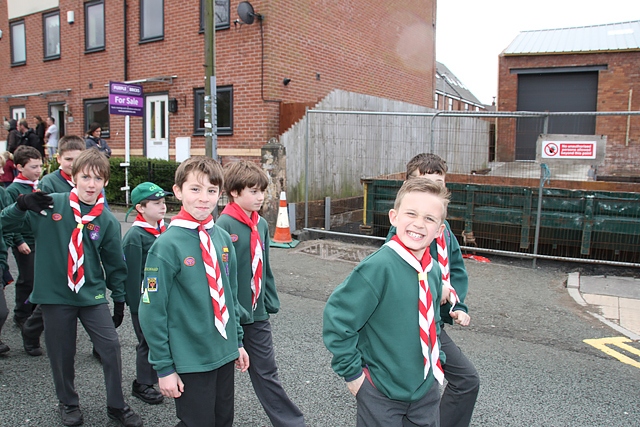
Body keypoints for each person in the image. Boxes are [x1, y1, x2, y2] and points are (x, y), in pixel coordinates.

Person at [0, 148, 144, 427]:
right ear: (73, 177)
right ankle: (68, 402)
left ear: (106, 182)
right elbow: (5, 223)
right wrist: (20, 206)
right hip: (55, 296)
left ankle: (117, 404)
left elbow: (114, 263)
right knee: (61, 352)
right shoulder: (49, 204)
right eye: (86, 177)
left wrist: (118, 299)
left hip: (90, 295)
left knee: (111, 348)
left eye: (98, 179)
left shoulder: (106, 220)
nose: (92, 184)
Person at [323, 178, 449, 427]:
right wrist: (354, 376)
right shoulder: (378, 268)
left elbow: (432, 321)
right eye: (411, 213)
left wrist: (438, 363)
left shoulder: (433, 271)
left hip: (425, 390)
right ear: (394, 217)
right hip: (381, 392)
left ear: (440, 231)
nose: (418, 224)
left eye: (429, 218)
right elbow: (338, 320)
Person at [138, 156, 249, 427]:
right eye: (195, 189)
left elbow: (230, 294)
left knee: (223, 420)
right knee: (196, 422)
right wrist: (163, 367)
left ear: (220, 194)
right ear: (178, 192)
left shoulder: (221, 238)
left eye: (211, 191)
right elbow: (152, 310)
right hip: (189, 358)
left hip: (222, 352)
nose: (204, 198)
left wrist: (237, 341)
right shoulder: (166, 246)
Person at [388, 153, 479, 427]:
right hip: (409, 323)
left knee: (463, 381)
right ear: (406, 187)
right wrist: (430, 287)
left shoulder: (443, 228)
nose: (431, 191)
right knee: (415, 390)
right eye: (422, 184)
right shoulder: (407, 230)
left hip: (434, 321)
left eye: (437, 184)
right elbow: (397, 274)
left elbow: (456, 269)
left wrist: (457, 304)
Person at [217, 161, 306, 427]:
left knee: (267, 372)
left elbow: (264, 267)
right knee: (221, 379)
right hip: (228, 314)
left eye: (261, 192)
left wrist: (268, 300)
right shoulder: (223, 225)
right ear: (234, 192)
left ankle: (292, 423)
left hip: (256, 314)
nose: (260, 197)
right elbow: (222, 278)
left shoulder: (261, 225)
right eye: (253, 191)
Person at [122, 182, 172, 406]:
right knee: (147, 340)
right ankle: (142, 383)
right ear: (141, 208)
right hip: (145, 300)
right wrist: (135, 306)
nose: (163, 207)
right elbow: (131, 275)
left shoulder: (165, 228)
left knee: (164, 337)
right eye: (157, 203)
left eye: (163, 202)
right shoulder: (135, 236)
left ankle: (165, 375)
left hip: (165, 297)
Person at [5, 146, 42, 331]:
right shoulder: (13, 190)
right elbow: (9, 218)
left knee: (40, 278)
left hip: (40, 238)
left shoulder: (38, 186)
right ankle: (21, 314)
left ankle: (36, 313)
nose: (38, 170)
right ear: (20, 167)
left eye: (40, 166)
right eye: (33, 167)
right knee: (27, 278)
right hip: (25, 240)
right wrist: (18, 241)